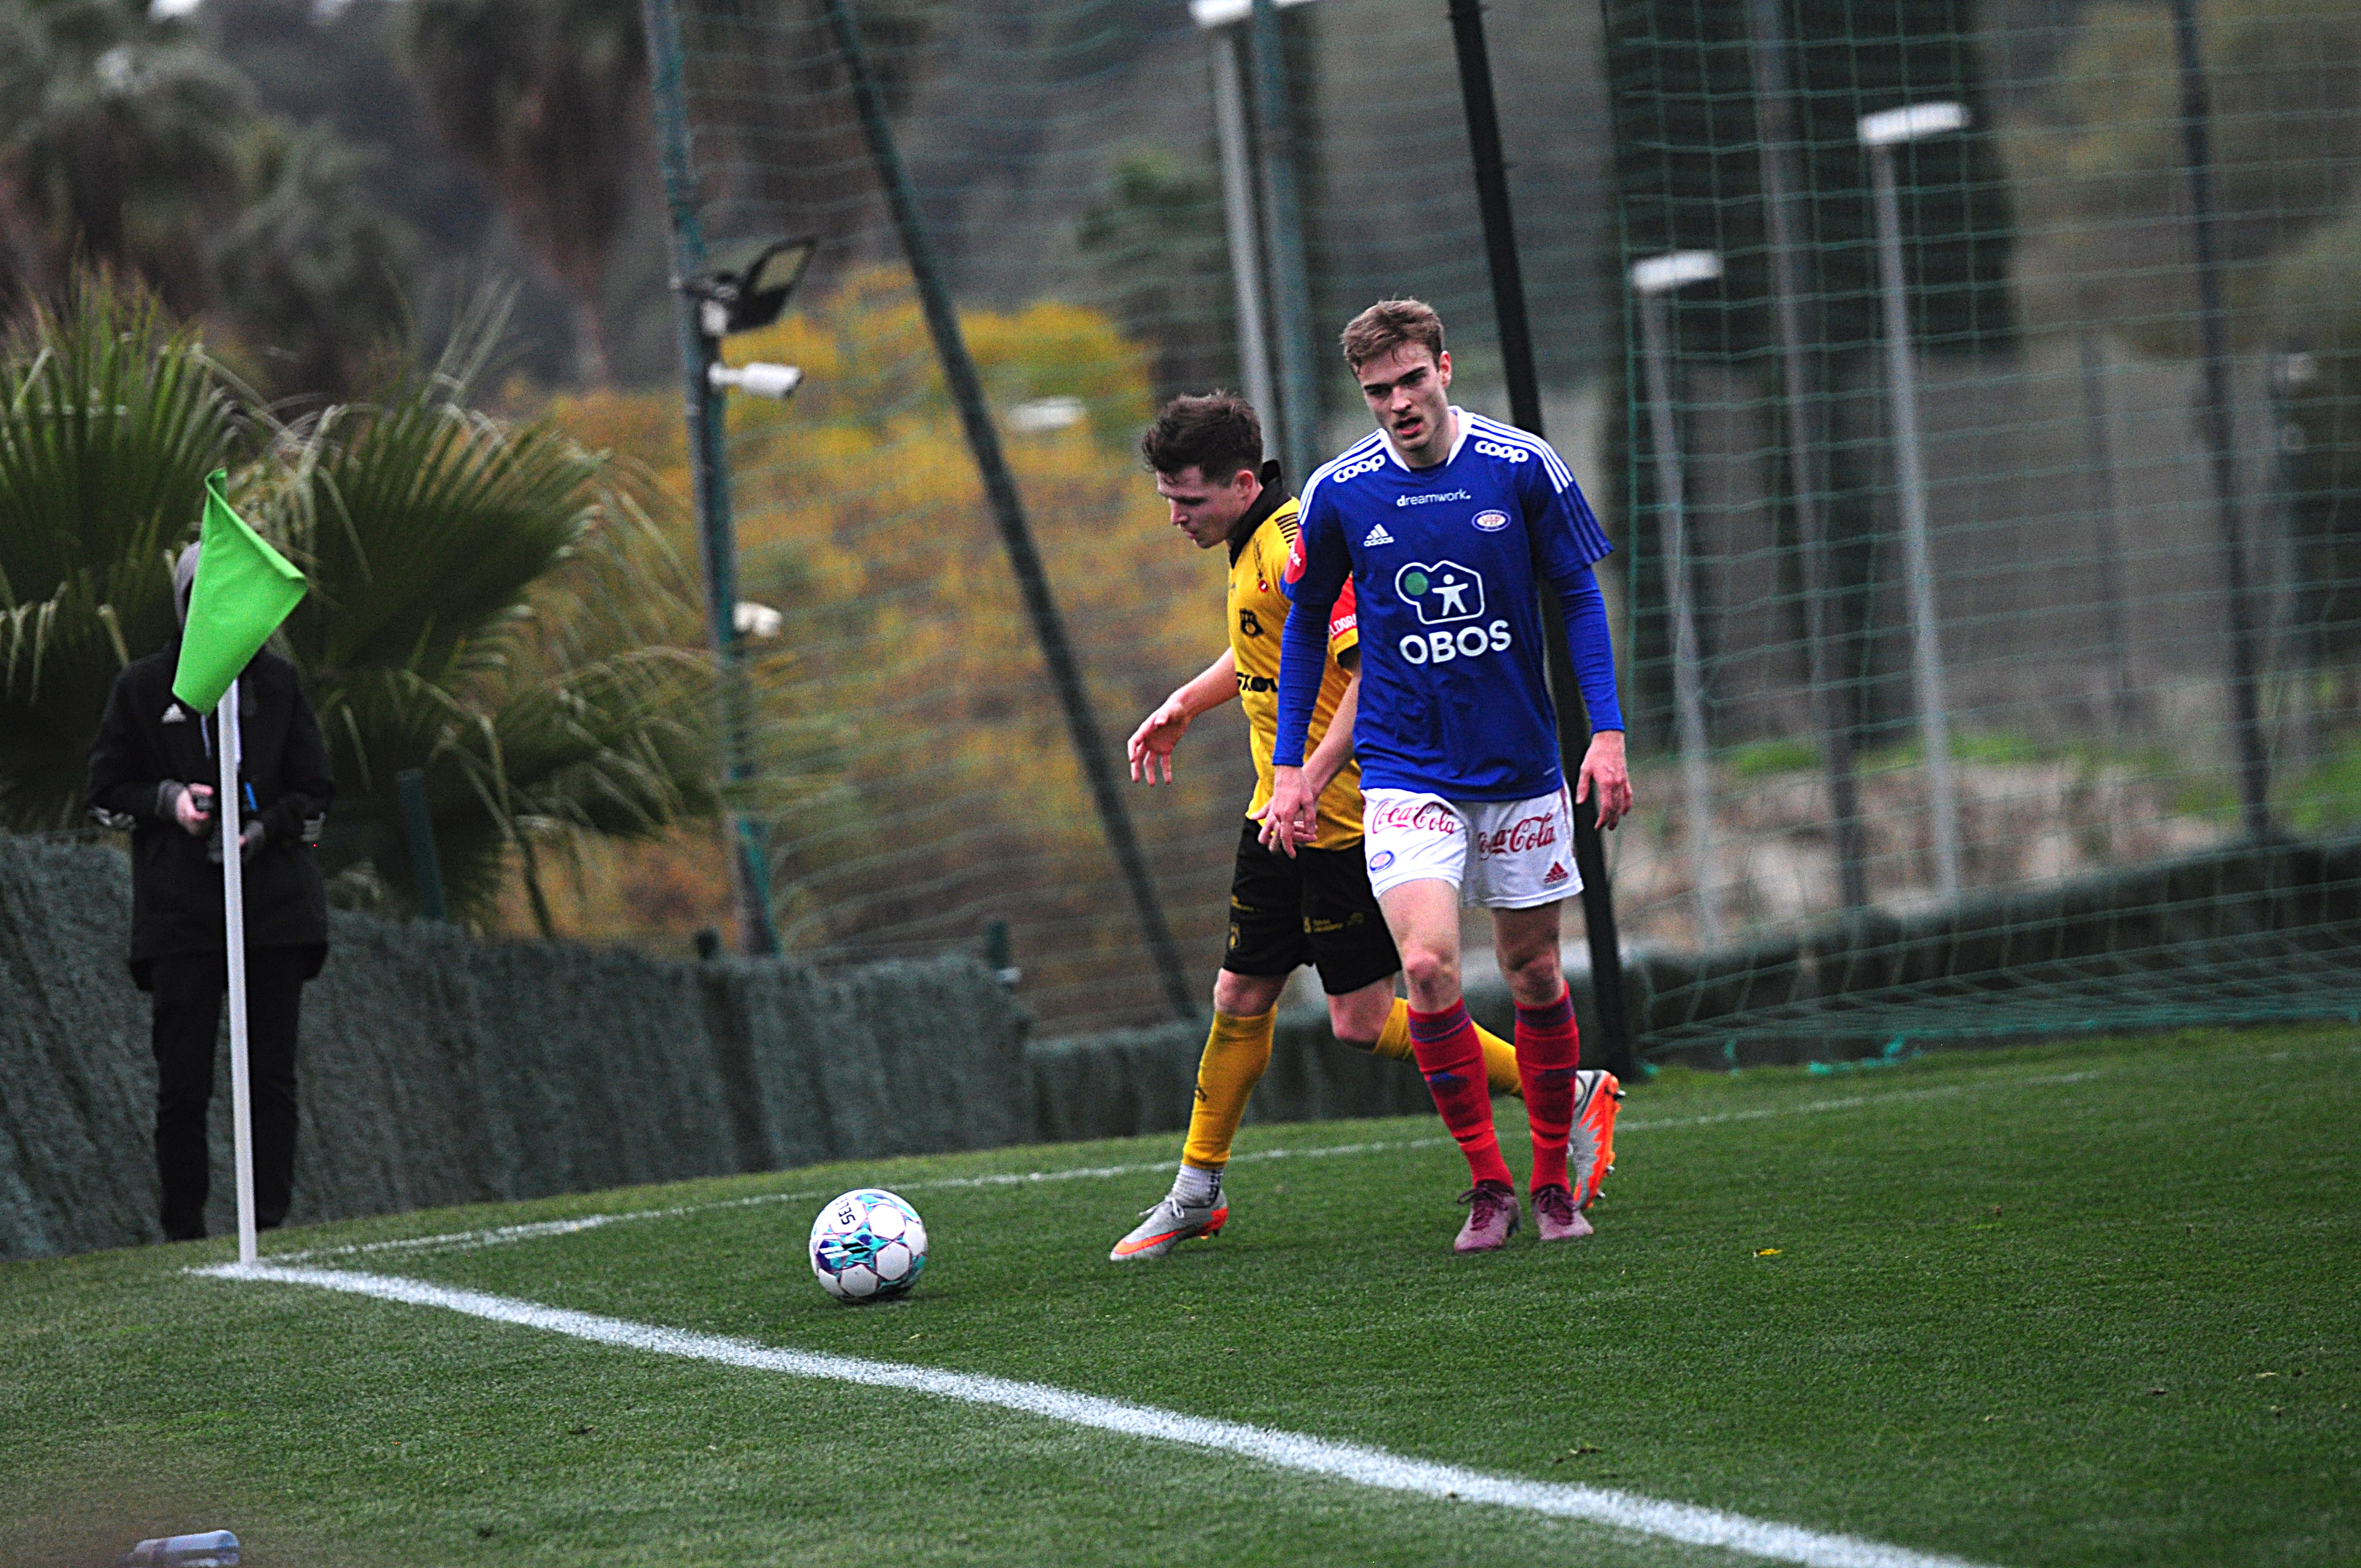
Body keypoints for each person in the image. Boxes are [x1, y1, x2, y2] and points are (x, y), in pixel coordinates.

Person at [1109, 392, 1528, 1263]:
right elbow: (1262, 643)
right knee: (1240, 996)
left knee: (1360, 1018)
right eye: (1167, 502)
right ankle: (1197, 1190)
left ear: (1239, 482)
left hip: (1335, 821)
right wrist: (1187, 701)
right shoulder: (1249, 545)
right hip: (1278, 814)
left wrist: (1311, 780)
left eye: (1187, 501)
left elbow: (1370, 669)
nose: (1177, 519)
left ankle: (1558, 1083)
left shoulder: (1297, 544)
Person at [1264, 300, 1632, 1254]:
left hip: (1515, 764)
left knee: (1532, 969)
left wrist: (1607, 734)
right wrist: (1290, 770)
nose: (1396, 403)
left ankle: (1551, 1176)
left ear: (1444, 368)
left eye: (1410, 381)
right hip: (1403, 765)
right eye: (1376, 390)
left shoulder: (1520, 465)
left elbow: (1578, 597)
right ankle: (1485, 1182)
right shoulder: (1340, 490)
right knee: (1424, 965)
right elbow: (1305, 623)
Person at [86, 542, 333, 1243]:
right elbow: (102, 801)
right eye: (203, 598)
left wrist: (263, 832)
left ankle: (272, 1223)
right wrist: (170, 803)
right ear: (184, 604)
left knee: (271, 1077)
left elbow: (318, 800)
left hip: (275, 916)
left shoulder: (278, 686)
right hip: (181, 919)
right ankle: (184, 1229)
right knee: (183, 1084)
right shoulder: (141, 689)